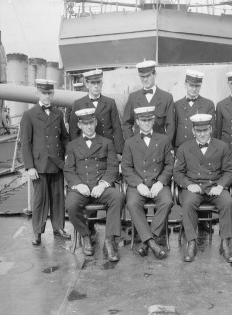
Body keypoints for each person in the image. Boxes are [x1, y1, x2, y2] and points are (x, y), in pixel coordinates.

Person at [173, 114, 232, 263]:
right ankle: (191, 242)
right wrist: (189, 185)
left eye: (205, 130)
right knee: (188, 203)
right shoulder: (184, 148)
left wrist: (220, 185)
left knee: (228, 202)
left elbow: (229, 171)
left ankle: (225, 243)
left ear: (211, 129)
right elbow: (177, 172)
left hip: (215, 186)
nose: (202, 134)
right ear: (193, 131)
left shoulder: (222, 146)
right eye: (198, 131)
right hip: (194, 187)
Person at [64, 108, 124, 262]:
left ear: (96, 122)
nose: (89, 127)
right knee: (70, 204)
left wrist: (103, 184)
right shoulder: (72, 145)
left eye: (91, 123)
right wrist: (78, 185)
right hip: (81, 188)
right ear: (79, 125)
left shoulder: (106, 143)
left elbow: (112, 167)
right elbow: (69, 170)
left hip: (100, 187)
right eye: (85, 124)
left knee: (117, 197)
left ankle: (109, 240)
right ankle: (85, 236)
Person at [20, 79, 71, 245]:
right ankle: (37, 231)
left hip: (57, 164)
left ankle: (58, 227)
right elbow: (26, 143)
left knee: (58, 199)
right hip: (39, 165)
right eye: (44, 93)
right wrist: (29, 167)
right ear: (37, 93)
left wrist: (69, 153)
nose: (47, 96)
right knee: (40, 200)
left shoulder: (58, 114)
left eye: (50, 93)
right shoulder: (29, 115)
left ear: (53, 94)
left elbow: (64, 138)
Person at [121, 106, 174, 259]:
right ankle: (152, 243)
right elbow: (126, 167)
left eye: (149, 120)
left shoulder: (163, 140)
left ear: (153, 120)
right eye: (143, 120)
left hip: (158, 183)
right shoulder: (130, 143)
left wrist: (161, 182)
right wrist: (138, 184)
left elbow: (170, 165)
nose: (146, 123)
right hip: (138, 185)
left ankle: (146, 240)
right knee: (132, 204)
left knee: (167, 201)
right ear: (137, 121)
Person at [68, 69, 124, 158]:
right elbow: (74, 130)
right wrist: (75, 150)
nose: (96, 86)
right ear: (87, 84)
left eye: (98, 83)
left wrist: (119, 151)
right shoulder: (78, 104)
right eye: (93, 83)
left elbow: (116, 128)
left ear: (102, 83)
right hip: (86, 148)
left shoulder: (110, 103)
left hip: (106, 148)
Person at [122, 60, 174, 143]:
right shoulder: (133, 97)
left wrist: (166, 145)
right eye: (142, 76)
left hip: (159, 146)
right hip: (138, 146)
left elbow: (170, 126)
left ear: (155, 74)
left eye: (148, 76)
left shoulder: (166, 98)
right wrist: (131, 143)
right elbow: (126, 123)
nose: (145, 79)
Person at [173, 69, 215, 152]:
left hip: (200, 148)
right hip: (181, 148)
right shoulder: (177, 105)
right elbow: (174, 129)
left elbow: (212, 130)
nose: (194, 89)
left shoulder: (208, 104)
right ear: (185, 84)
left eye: (197, 86)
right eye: (191, 85)